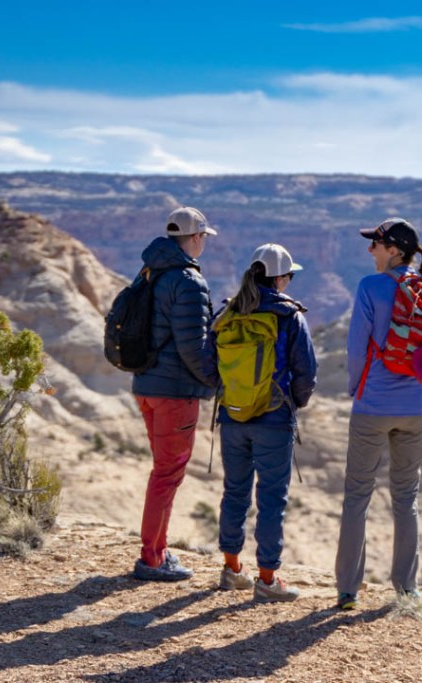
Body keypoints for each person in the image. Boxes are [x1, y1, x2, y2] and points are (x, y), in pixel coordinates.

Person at [334, 217, 422, 610]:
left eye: (376, 244)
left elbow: (357, 348)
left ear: (395, 250)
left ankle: (348, 592)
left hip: (371, 406)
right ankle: (407, 589)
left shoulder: (370, 287)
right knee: (406, 498)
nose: (370, 250)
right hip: (414, 409)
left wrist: (358, 389)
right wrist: (418, 378)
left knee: (357, 497)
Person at [206, 244, 317, 602]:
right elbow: (306, 372)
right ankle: (267, 579)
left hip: (233, 416)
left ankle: (232, 569)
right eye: (290, 275)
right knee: (270, 498)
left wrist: (232, 397)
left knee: (234, 491)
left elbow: (210, 363)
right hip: (273, 419)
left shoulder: (227, 313)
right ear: (280, 277)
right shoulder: (289, 316)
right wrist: (292, 404)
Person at [131, 206, 218, 582]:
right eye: (203, 237)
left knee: (162, 472)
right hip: (175, 392)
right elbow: (192, 347)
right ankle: (152, 557)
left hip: (146, 385)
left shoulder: (150, 271)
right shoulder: (188, 281)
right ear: (196, 237)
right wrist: (215, 381)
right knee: (167, 475)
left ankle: (157, 551)